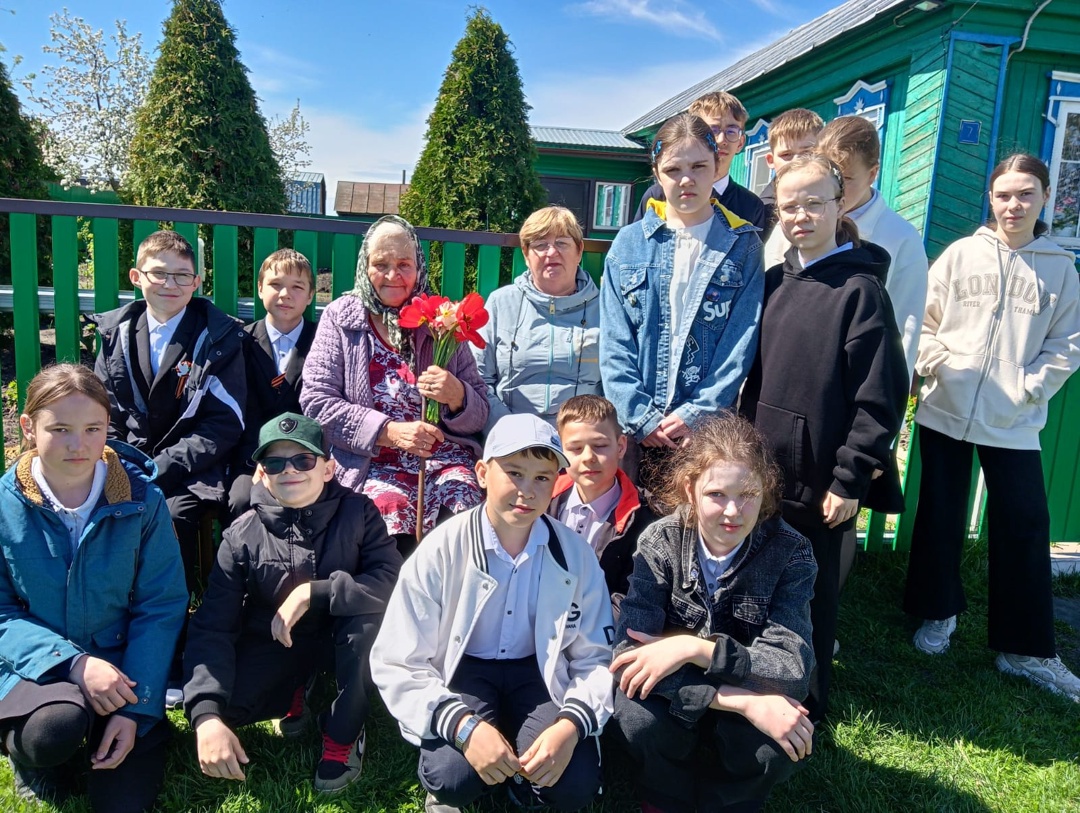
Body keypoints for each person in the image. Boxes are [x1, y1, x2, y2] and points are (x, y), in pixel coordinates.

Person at [370, 413, 614, 813]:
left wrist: (570, 727)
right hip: (465, 668)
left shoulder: (575, 554)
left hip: (538, 671)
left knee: (573, 784)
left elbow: (595, 658)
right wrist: (463, 727)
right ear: (482, 473)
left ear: (557, 481)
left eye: (542, 477)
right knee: (453, 778)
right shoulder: (441, 549)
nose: (527, 491)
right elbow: (397, 660)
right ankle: (477, 770)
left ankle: (520, 782)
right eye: (514, 473)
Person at [903, 154, 1080, 701]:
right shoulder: (961, 255)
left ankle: (1023, 648)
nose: (1014, 205)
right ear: (991, 198)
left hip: (1013, 419)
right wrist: (936, 362)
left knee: (1025, 523)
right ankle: (938, 611)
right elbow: (922, 318)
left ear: (1044, 197)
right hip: (946, 409)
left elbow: (1067, 343)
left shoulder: (1060, 268)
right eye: (1004, 195)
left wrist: (1030, 387)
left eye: (1026, 194)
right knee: (940, 514)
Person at [740, 154, 908, 723]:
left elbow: (880, 396)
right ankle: (758, 689)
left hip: (821, 483)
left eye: (815, 203)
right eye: (790, 206)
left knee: (811, 593)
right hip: (766, 473)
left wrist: (850, 477)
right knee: (761, 582)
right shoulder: (773, 282)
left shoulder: (861, 292)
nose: (802, 216)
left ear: (841, 206)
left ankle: (807, 705)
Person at [0, 364, 187, 813]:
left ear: (107, 428)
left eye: (92, 429)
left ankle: (119, 726)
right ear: (28, 427)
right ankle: (35, 755)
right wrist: (73, 662)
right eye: (60, 429)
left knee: (122, 802)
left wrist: (136, 709)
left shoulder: (142, 502)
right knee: (52, 731)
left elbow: (161, 605)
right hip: (34, 669)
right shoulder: (4, 505)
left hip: (121, 671)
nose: (78, 445)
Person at [183, 412, 402, 794]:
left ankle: (344, 731)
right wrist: (206, 715)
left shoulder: (360, 512)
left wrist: (313, 592)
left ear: (328, 468)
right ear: (262, 473)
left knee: (365, 624)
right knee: (228, 707)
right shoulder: (241, 535)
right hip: (279, 640)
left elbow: (391, 580)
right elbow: (213, 624)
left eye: (303, 459)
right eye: (275, 462)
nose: (289, 470)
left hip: (344, 636)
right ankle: (296, 689)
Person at [609, 415, 816, 813]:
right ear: (691, 489)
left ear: (766, 491)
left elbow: (791, 669)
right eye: (717, 494)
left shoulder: (791, 552)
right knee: (635, 715)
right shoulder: (661, 540)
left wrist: (692, 648)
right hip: (693, 691)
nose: (733, 511)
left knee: (775, 744)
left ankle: (729, 799)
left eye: (748, 494)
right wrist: (743, 703)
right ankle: (666, 792)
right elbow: (626, 658)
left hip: (731, 680)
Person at [300, 215, 487, 550]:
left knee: (463, 508)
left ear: (419, 267)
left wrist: (457, 395)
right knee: (387, 511)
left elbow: (480, 413)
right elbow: (317, 403)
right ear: (364, 266)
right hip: (371, 462)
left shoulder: (441, 320)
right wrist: (390, 432)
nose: (392, 275)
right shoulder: (341, 318)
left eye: (404, 264)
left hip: (442, 459)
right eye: (380, 264)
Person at [600, 112, 764, 491]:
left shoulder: (743, 246)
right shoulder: (629, 243)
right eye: (673, 169)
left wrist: (698, 412)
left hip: (705, 433)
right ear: (657, 174)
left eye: (698, 167)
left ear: (716, 166)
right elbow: (613, 340)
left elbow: (740, 341)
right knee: (630, 519)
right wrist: (640, 415)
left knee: (698, 516)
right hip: (635, 430)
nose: (686, 179)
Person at [92, 230, 247, 593]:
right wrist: (125, 465)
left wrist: (161, 467)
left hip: (191, 470)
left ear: (196, 282)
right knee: (100, 511)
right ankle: (109, 607)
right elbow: (102, 412)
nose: (170, 284)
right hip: (125, 464)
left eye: (181, 275)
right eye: (159, 273)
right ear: (136, 277)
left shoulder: (218, 338)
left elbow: (225, 421)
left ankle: (172, 614)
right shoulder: (116, 335)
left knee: (172, 516)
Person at [769, 115, 929, 378]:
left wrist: (889, 397)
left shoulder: (901, 238)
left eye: (846, 177)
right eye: (829, 173)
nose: (837, 187)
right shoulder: (790, 225)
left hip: (850, 380)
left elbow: (904, 329)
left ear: (872, 174)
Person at [472, 205, 601, 433]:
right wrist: (508, 427)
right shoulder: (501, 303)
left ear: (579, 250)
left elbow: (617, 382)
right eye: (540, 245)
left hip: (581, 439)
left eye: (562, 243)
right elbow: (478, 378)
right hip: (510, 433)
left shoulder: (604, 308)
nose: (551, 253)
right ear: (526, 254)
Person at [547, 394, 657, 616]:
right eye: (576, 448)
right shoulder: (542, 501)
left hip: (602, 627)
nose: (588, 457)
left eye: (600, 445)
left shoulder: (646, 518)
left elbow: (632, 596)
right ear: (559, 449)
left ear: (621, 446)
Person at [228, 248, 318, 518]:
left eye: (297, 287)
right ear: (260, 288)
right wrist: (261, 459)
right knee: (241, 500)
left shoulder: (323, 342)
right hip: (252, 456)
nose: (285, 294)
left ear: (310, 295)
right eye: (275, 284)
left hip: (307, 458)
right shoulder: (240, 342)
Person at [634, 92, 767, 231]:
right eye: (712, 131)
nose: (721, 140)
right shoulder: (657, 195)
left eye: (731, 131)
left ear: (741, 143)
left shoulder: (751, 206)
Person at [758, 108, 823, 242]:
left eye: (807, 153)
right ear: (770, 160)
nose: (797, 161)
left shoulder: (836, 199)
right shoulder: (760, 213)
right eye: (786, 155)